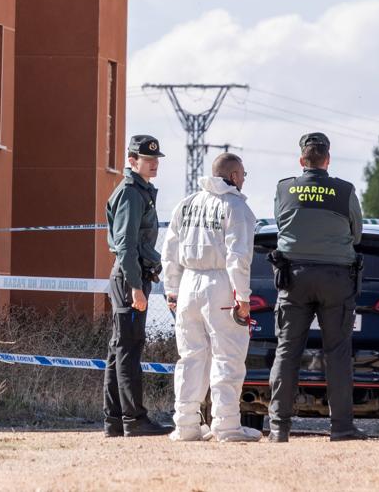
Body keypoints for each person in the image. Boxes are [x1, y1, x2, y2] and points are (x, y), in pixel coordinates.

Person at [268, 133, 368, 443]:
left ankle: (278, 428)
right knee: (337, 354)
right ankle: (341, 427)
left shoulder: (284, 188)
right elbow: (357, 234)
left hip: (293, 277)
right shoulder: (344, 190)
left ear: (302, 160)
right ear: (327, 159)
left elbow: (281, 224)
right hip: (336, 279)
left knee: (286, 352)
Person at [162, 153, 261, 443]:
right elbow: (238, 257)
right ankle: (227, 425)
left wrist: (172, 290)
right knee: (227, 355)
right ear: (232, 176)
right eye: (242, 173)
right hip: (220, 283)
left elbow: (170, 250)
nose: (244, 179)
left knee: (191, 357)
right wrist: (243, 296)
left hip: (189, 282)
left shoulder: (188, 203)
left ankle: (186, 424)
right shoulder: (235, 206)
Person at [103, 134, 173, 437]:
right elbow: (126, 244)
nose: (154, 163)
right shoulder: (132, 192)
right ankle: (134, 419)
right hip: (129, 277)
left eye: (156, 159)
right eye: (148, 159)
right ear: (132, 161)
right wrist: (135, 286)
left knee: (119, 348)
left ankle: (116, 421)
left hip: (130, 275)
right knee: (129, 348)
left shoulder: (139, 191)